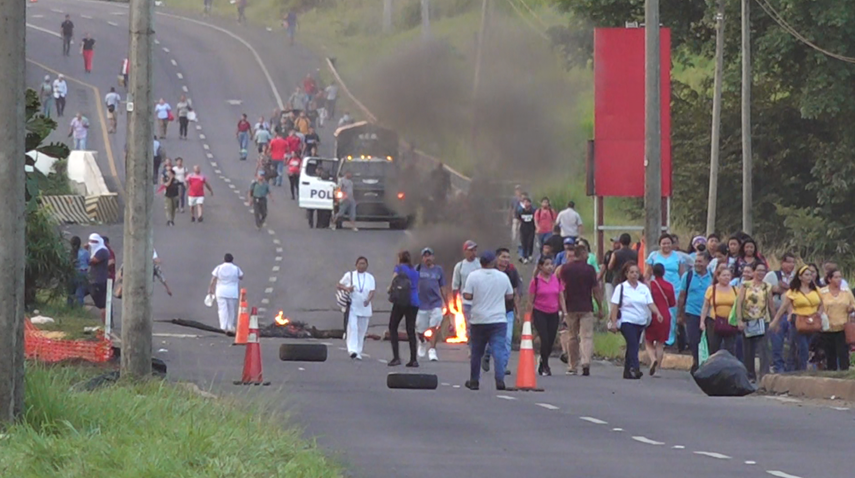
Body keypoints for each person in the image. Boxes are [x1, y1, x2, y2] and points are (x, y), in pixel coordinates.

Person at [463, 251, 514, 391]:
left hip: (478, 319)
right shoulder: (503, 277)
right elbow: (510, 296)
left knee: (476, 352)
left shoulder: (473, 276)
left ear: (481, 262)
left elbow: (467, 295)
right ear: (493, 262)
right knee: (498, 350)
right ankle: (499, 380)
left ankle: (474, 381)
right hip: (498, 319)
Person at [609, 263, 663, 379]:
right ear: (626, 274)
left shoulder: (643, 288)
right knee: (633, 343)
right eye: (631, 272)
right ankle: (635, 367)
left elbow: (650, 303)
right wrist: (613, 322)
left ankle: (627, 371)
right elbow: (614, 306)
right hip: (626, 320)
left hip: (640, 321)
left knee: (632, 345)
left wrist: (657, 313)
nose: (634, 275)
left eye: (636, 272)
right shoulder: (621, 287)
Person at [770, 265, 824, 371]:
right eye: (806, 275)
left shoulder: (816, 290)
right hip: (798, 320)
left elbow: (822, 303)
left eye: (810, 274)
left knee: (805, 346)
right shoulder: (793, 291)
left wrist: (819, 313)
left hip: (812, 321)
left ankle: (796, 367)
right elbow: (783, 307)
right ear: (800, 277)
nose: (809, 277)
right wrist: (775, 321)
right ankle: (802, 369)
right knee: (802, 346)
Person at [560, 244, 602, 376]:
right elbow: (595, 289)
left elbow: (562, 290)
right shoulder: (589, 270)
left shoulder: (565, 269)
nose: (588, 256)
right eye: (586, 254)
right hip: (586, 306)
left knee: (572, 336)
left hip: (570, 307)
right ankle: (586, 362)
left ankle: (572, 366)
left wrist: (562, 309)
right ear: (583, 254)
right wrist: (600, 306)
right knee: (586, 336)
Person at [483, 247, 520, 375]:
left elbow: (515, 293)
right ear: (497, 258)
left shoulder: (512, 271)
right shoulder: (490, 272)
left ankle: (502, 366)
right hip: (493, 310)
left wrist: (518, 311)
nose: (506, 260)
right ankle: (487, 355)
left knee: (507, 339)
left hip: (508, 311)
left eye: (508, 257)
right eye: (503, 257)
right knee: (492, 339)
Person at [734, 262, 774, 381]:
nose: (761, 273)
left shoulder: (767, 286)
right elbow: (739, 303)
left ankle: (764, 375)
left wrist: (774, 319)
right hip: (748, 320)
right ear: (753, 271)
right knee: (748, 350)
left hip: (763, 319)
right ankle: (750, 375)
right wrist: (739, 319)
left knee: (763, 349)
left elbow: (770, 304)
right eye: (758, 270)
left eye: (763, 271)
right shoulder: (745, 285)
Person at [529, 255, 567, 376]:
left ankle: (543, 361)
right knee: (544, 338)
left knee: (550, 340)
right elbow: (531, 300)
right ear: (540, 267)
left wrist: (564, 312)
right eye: (546, 264)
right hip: (540, 312)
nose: (550, 267)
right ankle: (545, 364)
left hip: (553, 312)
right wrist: (528, 316)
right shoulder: (535, 281)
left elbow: (560, 296)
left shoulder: (556, 280)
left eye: (551, 264)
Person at [645, 233, 684, 346]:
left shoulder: (678, 256)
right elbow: (647, 273)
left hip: (674, 289)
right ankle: (656, 338)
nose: (666, 245)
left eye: (668, 243)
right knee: (657, 312)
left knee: (672, 314)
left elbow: (681, 274)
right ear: (660, 244)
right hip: (657, 289)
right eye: (663, 243)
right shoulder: (654, 256)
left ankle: (669, 339)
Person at [677, 253, 713, 372]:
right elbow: (682, 296)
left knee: (708, 341)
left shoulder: (712, 277)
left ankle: (705, 364)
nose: (697, 264)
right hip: (691, 313)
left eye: (700, 261)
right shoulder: (688, 276)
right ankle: (697, 364)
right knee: (694, 340)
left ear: (707, 263)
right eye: (696, 261)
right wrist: (680, 314)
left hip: (708, 314)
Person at [764, 252, 797, 373]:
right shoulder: (772, 276)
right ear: (782, 263)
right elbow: (766, 289)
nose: (791, 265)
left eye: (793, 262)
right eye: (788, 262)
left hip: (793, 313)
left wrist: (785, 289)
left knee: (792, 341)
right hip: (776, 312)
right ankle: (778, 366)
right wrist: (776, 289)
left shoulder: (797, 277)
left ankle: (791, 367)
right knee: (776, 341)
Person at [338, 257, 375, 359]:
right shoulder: (350, 275)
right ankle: (352, 349)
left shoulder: (370, 277)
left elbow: (372, 291)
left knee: (362, 330)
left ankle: (358, 351)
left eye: (364, 264)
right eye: (360, 263)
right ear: (356, 265)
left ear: (367, 265)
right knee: (353, 327)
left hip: (365, 307)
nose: (361, 266)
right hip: (353, 306)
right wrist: (347, 288)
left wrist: (368, 300)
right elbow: (339, 285)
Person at [818, 268, 855, 371]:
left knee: (843, 354)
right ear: (829, 279)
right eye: (836, 277)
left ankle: (845, 374)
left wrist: (851, 308)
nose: (839, 279)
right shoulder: (822, 292)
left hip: (842, 327)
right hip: (827, 327)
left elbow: (853, 304)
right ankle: (831, 375)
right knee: (830, 355)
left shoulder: (846, 292)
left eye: (840, 277)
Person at [388, 251, 420, 367]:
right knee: (410, 330)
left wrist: (390, 289)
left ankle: (396, 357)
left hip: (402, 300)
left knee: (393, 326)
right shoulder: (415, 271)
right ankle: (413, 359)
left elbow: (394, 279)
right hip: (414, 301)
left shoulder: (399, 268)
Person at [700, 267, 739, 355]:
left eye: (728, 275)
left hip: (730, 322)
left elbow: (739, 306)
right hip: (714, 322)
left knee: (730, 348)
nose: (726, 277)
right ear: (718, 277)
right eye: (724, 275)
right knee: (714, 347)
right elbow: (705, 306)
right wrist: (702, 321)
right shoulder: (711, 289)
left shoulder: (735, 290)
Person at [417, 248, 447, 362]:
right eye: (425, 256)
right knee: (420, 329)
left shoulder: (438, 270)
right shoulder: (418, 269)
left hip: (435, 303)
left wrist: (446, 302)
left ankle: (432, 350)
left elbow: (442, 286)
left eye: (429, 256)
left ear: (433, 257)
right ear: (422, 258)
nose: (427, 258)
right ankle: (422, 341)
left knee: (434, 327)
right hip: (421, 304)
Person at [647, 263, 676, 376]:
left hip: (653, 315)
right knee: (660, 343)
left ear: (653, 272)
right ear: (664, 272)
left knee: (648, 341)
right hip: (665, 315)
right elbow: (672, 303)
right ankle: (658, 368)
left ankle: (652, 358)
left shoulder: (650, 285)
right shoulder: (669, 286)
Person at [452, 240, 480, 354]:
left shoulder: (479, 264)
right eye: (471, 250)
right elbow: (455, 286)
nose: (473, 253)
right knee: (469, 325)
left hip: (480, 301)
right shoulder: (460, 266)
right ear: (465, 252)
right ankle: (472, 348)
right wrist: (454, 302)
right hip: (467, 302)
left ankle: (479, 346)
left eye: (475, 250)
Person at [208, 253, 244, 333]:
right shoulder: (236, 269)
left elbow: (213, 278)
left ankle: (223, 326)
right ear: (232, 260)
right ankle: (230, 326)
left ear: (224, 259)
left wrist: (211, 288)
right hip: (232, 292)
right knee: (231, 310)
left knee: (222, 309)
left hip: (221, 291)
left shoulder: (219, 268)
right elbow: (241, 277)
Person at [86, 234, 111, 324]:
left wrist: (84, 254)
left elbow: (93, 261)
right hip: (92, 280)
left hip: (99, 281)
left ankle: (106, 325)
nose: (91, 244)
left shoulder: (102, 251)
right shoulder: (94, 251)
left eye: (94, 242)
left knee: (102, 305)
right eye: (90, 241)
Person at [67, 236, 89, 307]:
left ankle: (69, 307)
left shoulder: (68, 253)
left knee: (70, 293)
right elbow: (88, 262)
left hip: (71, 273)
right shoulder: (85, 252)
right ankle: (79, 309)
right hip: (82, 273)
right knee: (80, 293)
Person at [516, 197, 536, 264]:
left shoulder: (533, 211)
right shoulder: (521, 211)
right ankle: (525, 257)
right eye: (525, 202)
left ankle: (530, 255)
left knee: (530, 242)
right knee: (524, 243)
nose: (526, 204)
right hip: (523, 229)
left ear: (530, 203)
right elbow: (518, 219)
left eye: (527, 202)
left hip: (531, 229)